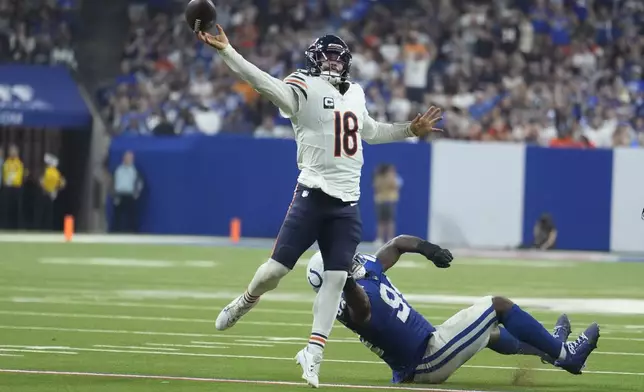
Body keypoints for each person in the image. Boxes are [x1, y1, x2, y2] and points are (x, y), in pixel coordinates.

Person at [196, 26, 443, 388]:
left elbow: (371, 131)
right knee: (274, 273)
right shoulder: (303, 87)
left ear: (346, 63)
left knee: (337, 278)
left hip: (347, 203)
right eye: (326, 55)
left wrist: (409, 129)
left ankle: (313, 353)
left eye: (338, 56)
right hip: (312, 194)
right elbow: (263, 82)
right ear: (314, 59)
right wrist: (227, 52)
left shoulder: (356, 93)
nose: (332, 61)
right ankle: (246, 300)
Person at [305, 235, 600, 385]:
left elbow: (395, 245)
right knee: (498, 306)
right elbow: (363, 307)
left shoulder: (362, 272)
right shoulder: (349, 305)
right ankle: (568, 357)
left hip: (429, 346)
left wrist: (427, 249)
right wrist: (342, 281)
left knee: (492, 332)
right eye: (343, 263)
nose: (352, 261)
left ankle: (554, 349)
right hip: (424, 363)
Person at [373, 164, 400, 246]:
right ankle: (380, 238)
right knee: (383, 221)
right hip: (383, 201)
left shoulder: (380, 177)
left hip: (387, 200)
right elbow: (395, 186)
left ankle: (389, 238)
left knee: (388, 221)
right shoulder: (382, 177)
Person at [38, 153, 66, 230]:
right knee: (49, 213)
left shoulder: (47, 171)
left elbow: (41, 182)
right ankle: (48, 228)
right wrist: (56, 189)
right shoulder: (57, 173)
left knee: (44, 213)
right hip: (52, 194)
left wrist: (45, 188)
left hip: (46, 193)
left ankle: (43, 228)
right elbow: (63, 183)